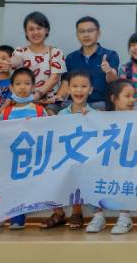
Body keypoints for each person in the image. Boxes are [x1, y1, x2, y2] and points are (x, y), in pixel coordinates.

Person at [0, 68, 45, 231]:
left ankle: (18, 215)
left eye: (27, 83)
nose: (22, 87)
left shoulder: (39, 111)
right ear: (11, 87)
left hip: (31, 159)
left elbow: (47, 134)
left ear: (33, 87)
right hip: (8, 158)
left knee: (20, 182)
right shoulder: (6, 112)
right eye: (18, 83)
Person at [86, 80, 137, 234]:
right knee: (88, 173)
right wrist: (85, 116)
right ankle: (98, 216)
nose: (132, 100)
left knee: (125, 174)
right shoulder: (101, 117)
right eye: (127, 96)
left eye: (133, 96)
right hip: (106, 164)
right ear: (114, 99)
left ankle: (125, 217)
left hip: (129, 164)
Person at [48, 70, 96, 230]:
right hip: (64, 155)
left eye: (84, 86)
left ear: (90, 90)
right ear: (68, 89)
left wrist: (90, 119)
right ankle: (58, 211)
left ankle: (77, 212)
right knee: (50, 168)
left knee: (75, 167)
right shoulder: (62, 114)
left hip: (86, 158)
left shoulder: (95, 114)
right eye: (75, 86)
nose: (79, 90)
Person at [64, 16, 120, 111]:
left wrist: (109, 71)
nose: (86, 35)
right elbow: (65, 84)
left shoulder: (110, 55)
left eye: (90, 31)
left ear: (98, 33)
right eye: (82, 31)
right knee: (53, 108)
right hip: (75, 103)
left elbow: (113, 79)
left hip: (100, 104)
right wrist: (58, 97)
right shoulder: (70, 58)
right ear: (77, 35)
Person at [12, 11, 66, 108]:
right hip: (24, 101)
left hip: (50, 103)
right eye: (31, 29)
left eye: (39, 28)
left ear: (47, 30)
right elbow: (15, 60)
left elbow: (54, 78)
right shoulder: (20, 51)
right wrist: (9, 62)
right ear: (26, 32)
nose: (35, 32)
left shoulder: (55, 52)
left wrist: (37, 95)